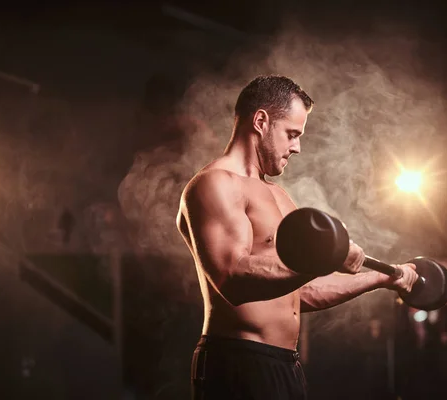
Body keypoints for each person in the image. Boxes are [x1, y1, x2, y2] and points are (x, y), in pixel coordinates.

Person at [176, 75, 419, 399]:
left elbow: (300, 290)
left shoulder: (278, 196)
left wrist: (379, 279)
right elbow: (231, 278)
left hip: (284, 366)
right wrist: (324, 260)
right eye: (291, 134)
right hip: (237, 362)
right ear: (261, 121)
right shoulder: (215, 184)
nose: (297, 147)